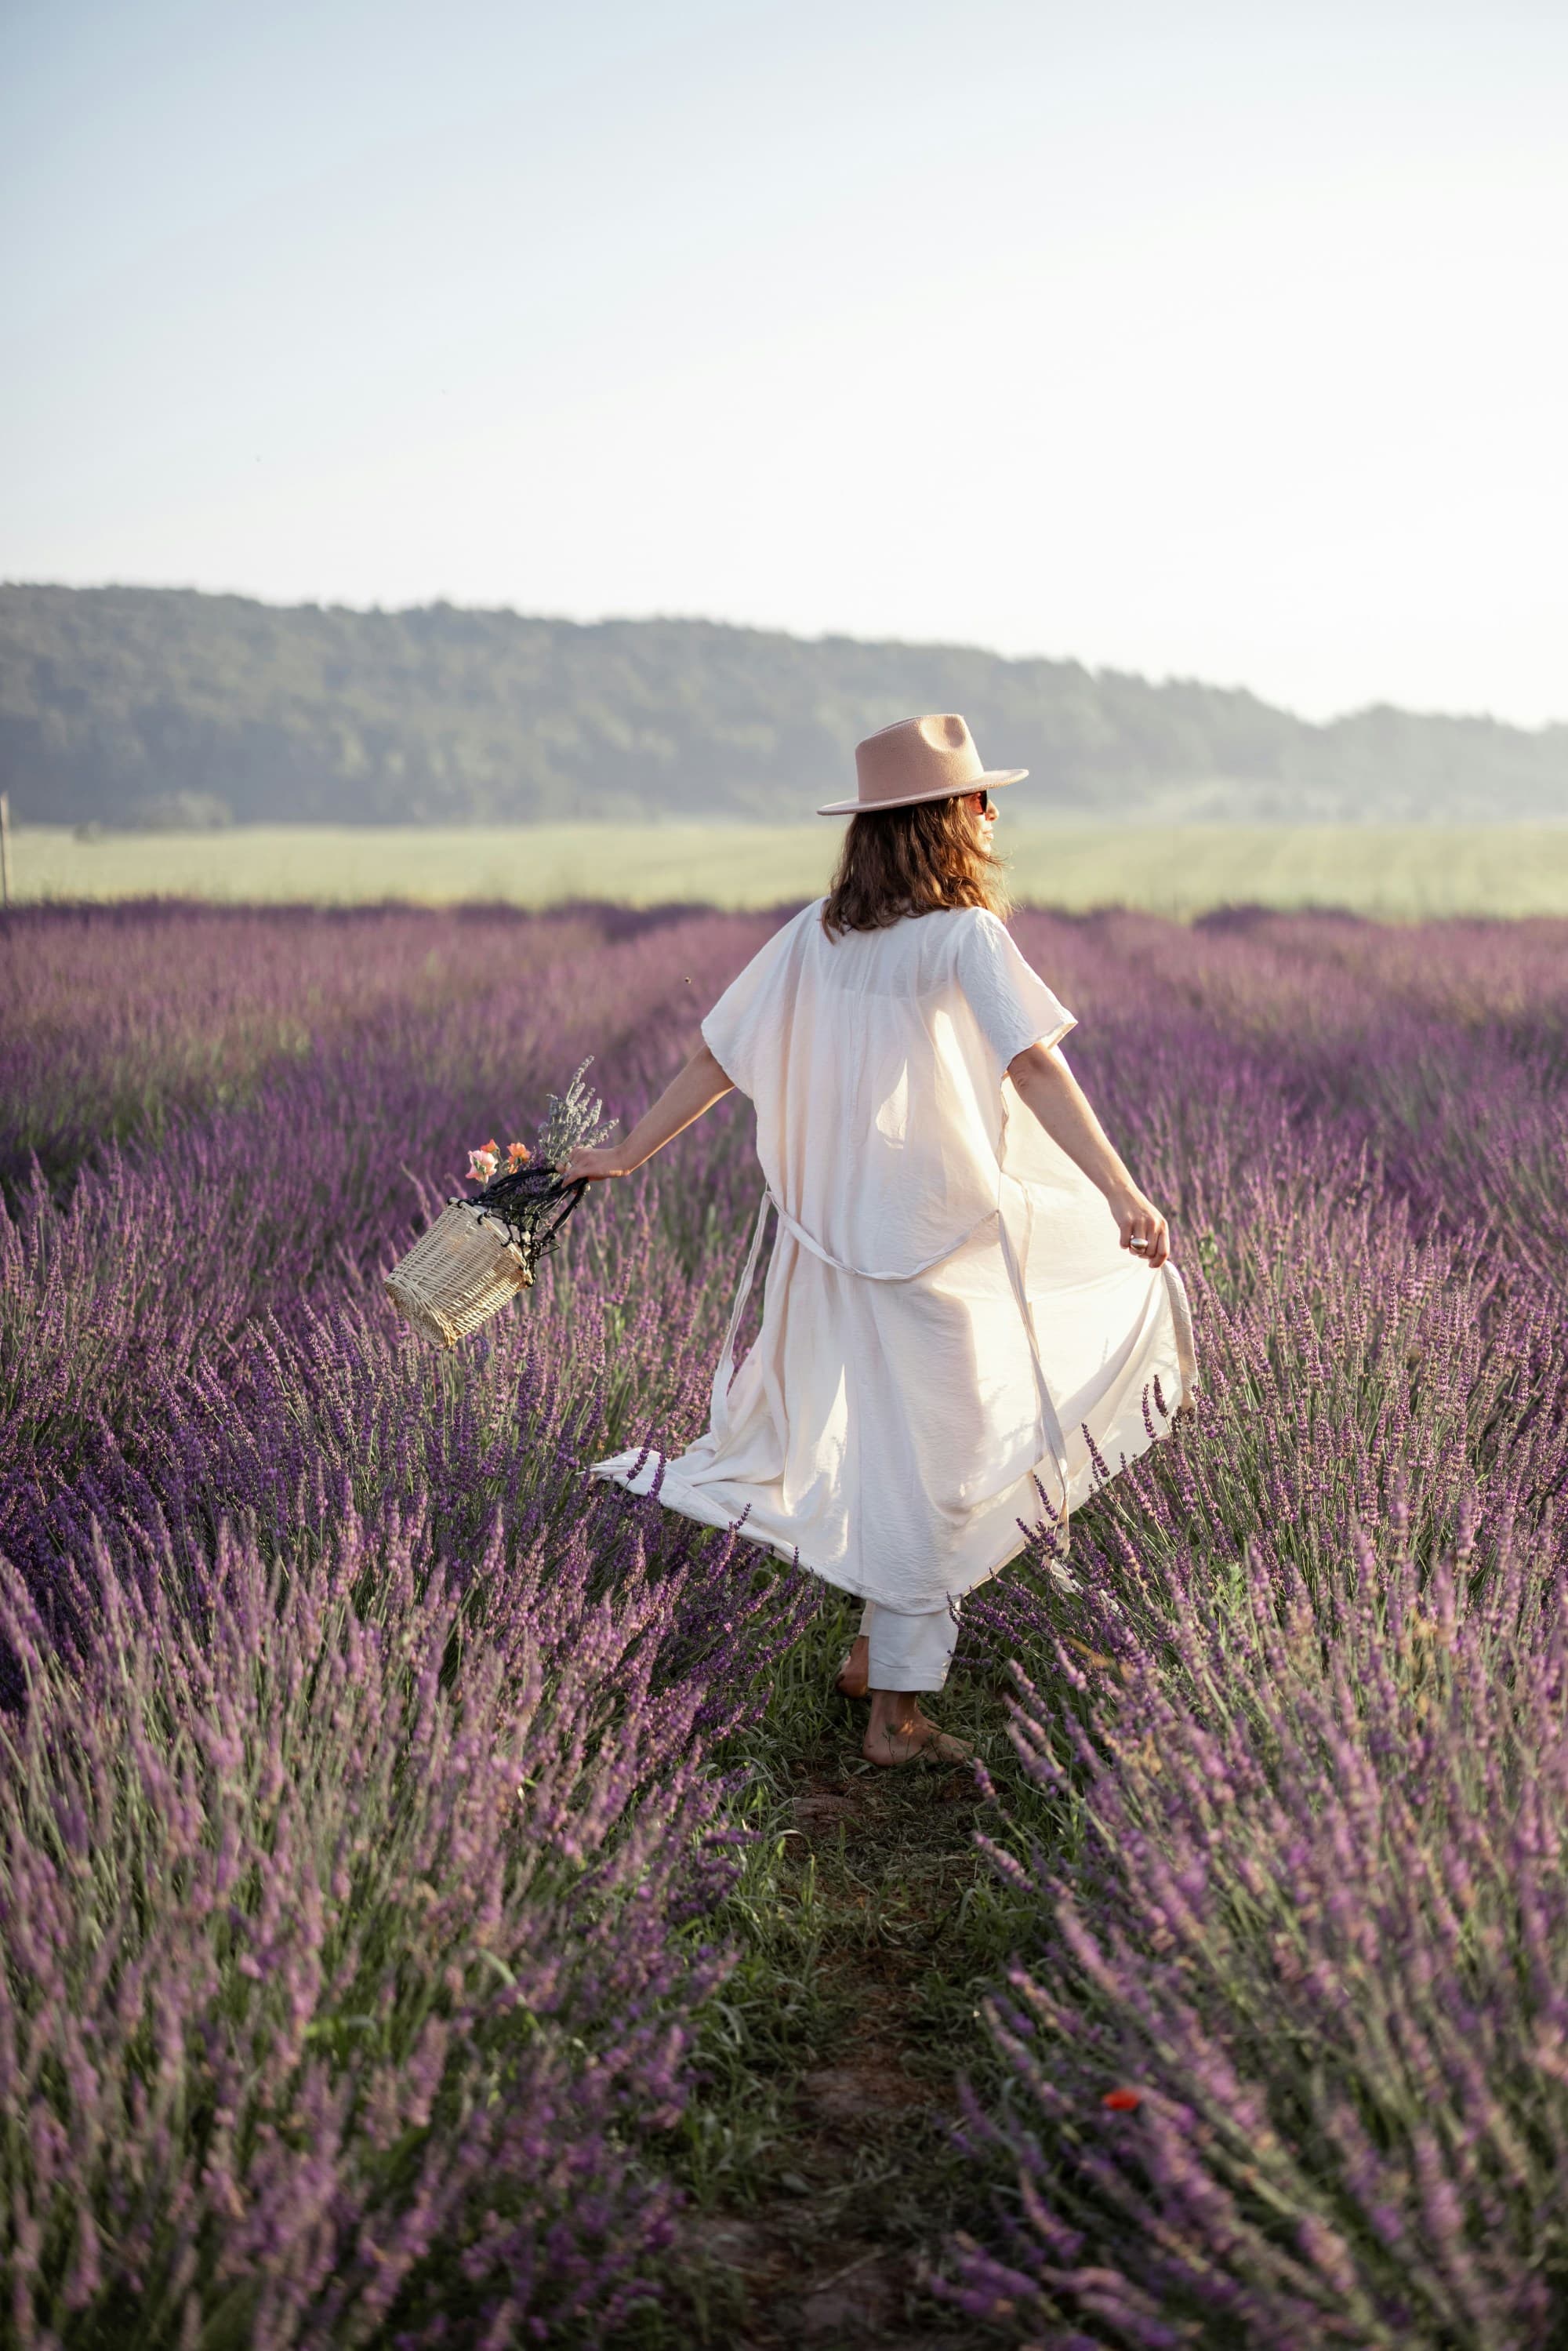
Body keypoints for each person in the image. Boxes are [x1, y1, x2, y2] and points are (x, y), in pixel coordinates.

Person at [562, 714, 1197, 1767]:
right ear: (947, 820)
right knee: (952, 1462)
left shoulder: (819, 933)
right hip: (926, 1239)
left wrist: (627, 1153)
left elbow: (718, 1060)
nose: (991, 817)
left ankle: (873, 1651)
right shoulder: (963, 936)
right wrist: (1125, 1192)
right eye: (981, 800)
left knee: (874, 1448)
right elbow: (1034, 1066)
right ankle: (894, 1718)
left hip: (826, 1241)